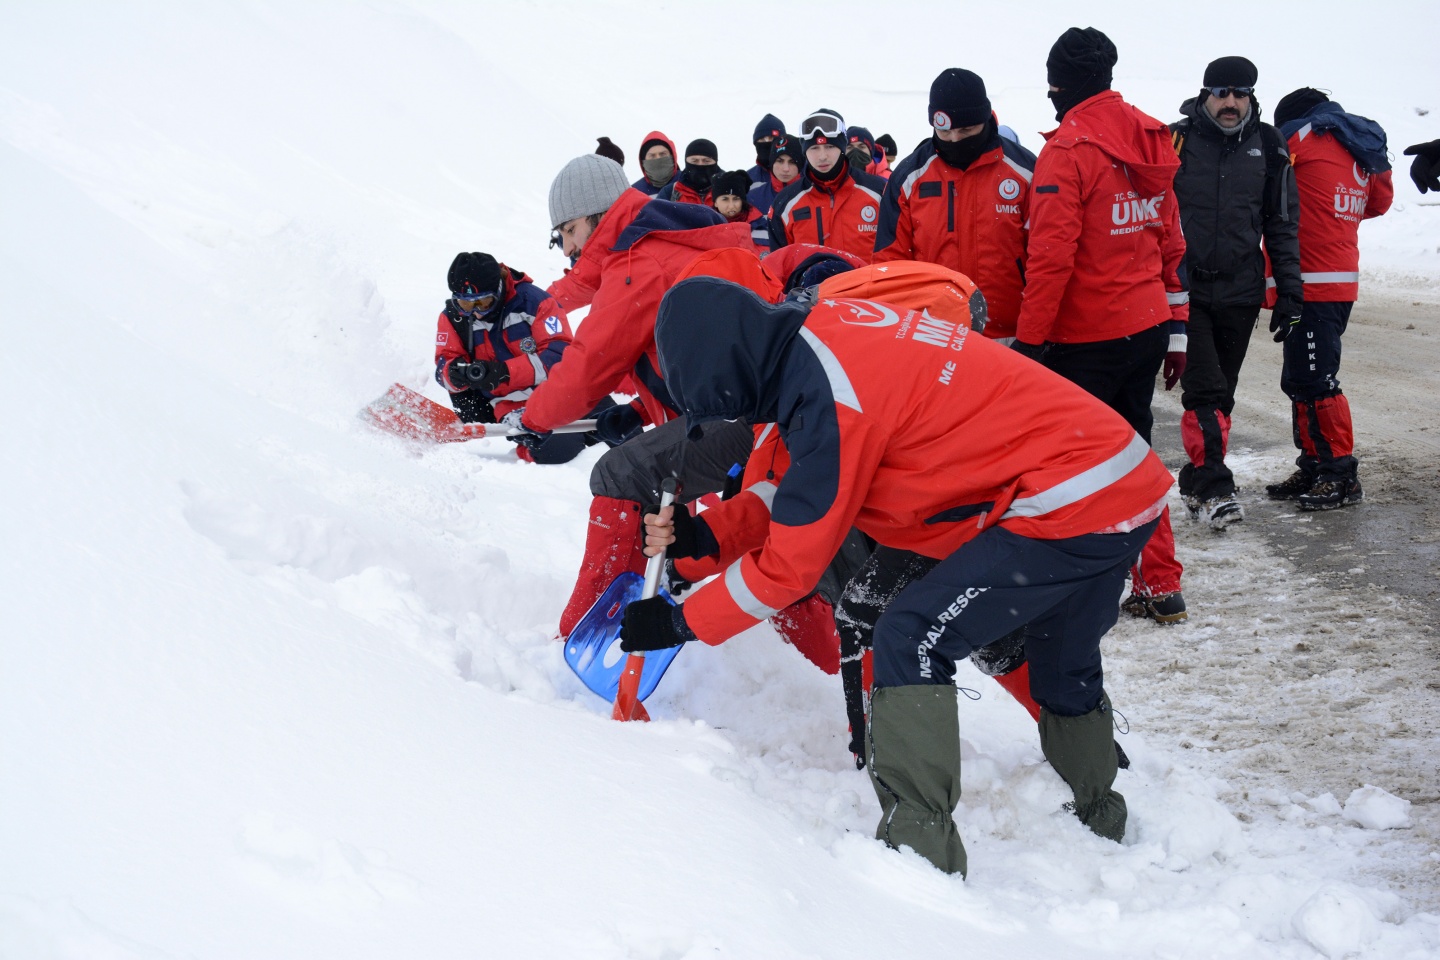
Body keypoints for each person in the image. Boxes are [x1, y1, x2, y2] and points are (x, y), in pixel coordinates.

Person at [622, 267, 1175, 877]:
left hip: (1065, 498)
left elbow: (790, 568)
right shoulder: (814, 338)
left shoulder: (827, 392)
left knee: (909, 635)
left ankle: (920, 857)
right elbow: (796, 486)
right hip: (1122, 480)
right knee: (1061, 656)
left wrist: (680, 622)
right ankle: (1102, 815)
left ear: (729, 375)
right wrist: (708, 535)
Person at [511, 157, 757, 638]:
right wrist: (641, 410)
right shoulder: (660, 243)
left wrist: (535, 418)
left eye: (568, 231)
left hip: (742, 419)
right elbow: (688, 357)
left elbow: (590, 365)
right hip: (749, 410)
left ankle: (589, 625)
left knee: (620, 474)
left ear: (594, 215)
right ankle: (676, 598)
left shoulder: (638, 262)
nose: (568, 247)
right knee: (721, 510)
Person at [1013, 27, 1190, 625]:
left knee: (1077, 469)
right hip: (1145, 326)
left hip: (1083, 339)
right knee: (1135, 455)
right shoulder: (1151, 136)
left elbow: (1052, 258)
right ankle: (1158, 581)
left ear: (1060, 83)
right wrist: (1179, 324)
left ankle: (1077, 591)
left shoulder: (1067, 151)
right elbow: (1170, 240)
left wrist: (1029, 345)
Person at [1168, 56, 1301, 530]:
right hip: (1187, 292)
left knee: (1222, 394)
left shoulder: (1268, 145)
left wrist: (1290, 293)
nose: (1230, 102)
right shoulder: (1174, 140)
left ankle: (1197, 479)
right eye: (1221, 92)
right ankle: (1216, 488)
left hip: (1241, 293)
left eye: (1239, 93)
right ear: (1205, 95)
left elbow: (1282, 224)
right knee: (1203, 389)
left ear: (1251, 98)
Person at [1264, 88, 1393, 509]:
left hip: (1310, 283)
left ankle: (1340, 476)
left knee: (1317, 381)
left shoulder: (1300, 139)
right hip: (1339, 283)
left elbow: (1261, 184)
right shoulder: (1359, 144)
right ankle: (1316, 466)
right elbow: (1379, 203)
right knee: (1301, 378)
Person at [873, 67, 1036, 342]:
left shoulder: (1025, 171)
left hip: (1010, 336)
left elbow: (1046, 258)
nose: (955, 140)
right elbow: (888, 264)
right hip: (933, 333)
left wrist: (1035, 334)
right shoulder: (909, 177)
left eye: (967, 130)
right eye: (944, 131)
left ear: (986, 119)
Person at [434, 252, 602, 464]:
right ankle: (525, 452)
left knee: (619, 430)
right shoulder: (453, 318)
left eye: (483, 302)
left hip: (561, 390)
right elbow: (443, 364)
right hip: (510, 404)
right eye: (466, 305)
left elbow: (560, 355)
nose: (476, 312)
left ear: (498, 289)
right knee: (560, 449)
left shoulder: (533, 302)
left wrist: (504, 372)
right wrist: (454, 373)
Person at [769, 108, 888, 263]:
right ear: (805, 152)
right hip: (810, 287)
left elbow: (893, 256)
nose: (822, 156)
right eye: (814, 148)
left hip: (867, 286)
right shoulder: (784, 203)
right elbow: (779, 268)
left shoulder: (879, 192)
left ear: (843, 147)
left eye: (830, 147)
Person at [546, 154, 653, 312]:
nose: (567, 250)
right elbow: (586, 280)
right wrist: (533, 306)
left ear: (604, 213)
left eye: (571, 230)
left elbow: (597, 336)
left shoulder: (642, 270)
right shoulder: (623, 256)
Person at [709, 170, 769, 252]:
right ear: (715, 202)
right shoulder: (706, 225)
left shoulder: (759, 224)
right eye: (725, 199)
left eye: (736, 199)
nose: (731, 205)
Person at [748, 133, 802, 220]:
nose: (785, 169)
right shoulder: (753, 198)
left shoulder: (815, 194)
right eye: (780, 161)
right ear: (772, 163)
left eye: (792, 162)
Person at [657, 139, 721, 205]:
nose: (700, 164)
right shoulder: (670, 192)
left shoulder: (728, 188)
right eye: (694, 161)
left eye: (706, 161)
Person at [632, 131, 679, 196]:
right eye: (652, 156)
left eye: (663, 154)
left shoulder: (688, 183)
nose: (658, 159)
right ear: (643, 161)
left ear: (672, 156)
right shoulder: (636, 193)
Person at [745, 114, 786, 187]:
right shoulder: (747, 179)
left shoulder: (798, 172)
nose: (767, 142)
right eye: (762, 139)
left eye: (772, 138)